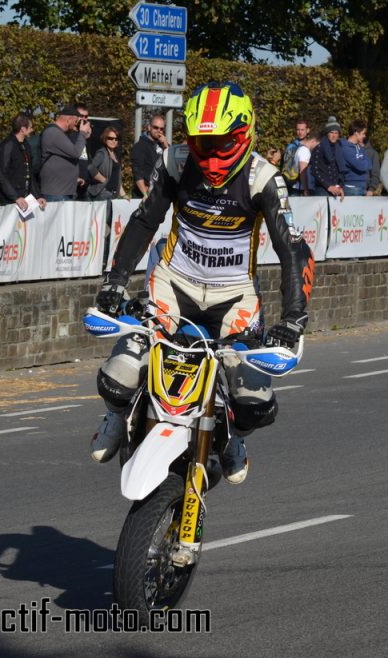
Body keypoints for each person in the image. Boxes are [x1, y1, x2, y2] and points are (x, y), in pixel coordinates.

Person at [89, 81, 314, 486]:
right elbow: (144, 221)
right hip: (173, 284)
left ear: (244, 133)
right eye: (200, 143)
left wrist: (294, 320)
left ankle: (233, 440)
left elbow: (293, 251)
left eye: (220, 142)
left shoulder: (265, 177)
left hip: (234, 298)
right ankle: (116, 415)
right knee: (119, 374)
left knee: (254, 402)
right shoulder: (174, 161)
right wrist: (115, 284)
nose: (209, 155)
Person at [0, 113, 47, 211]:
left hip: (25, 198)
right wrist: (15, 197)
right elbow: (1, 175)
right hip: (9, 201)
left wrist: (38, 196)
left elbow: (30, 173)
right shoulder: (7, 145)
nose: (32, 130)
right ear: (23, 129)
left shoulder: (26, 145)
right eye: (30, 127)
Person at [39, 104, 90, 202]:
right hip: (56, 193)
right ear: (68, 120)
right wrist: (82, 133)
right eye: (75, 122)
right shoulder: (53, 133)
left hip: (63, 191)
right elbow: (75, 152)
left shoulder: (60, 133)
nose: (76, 125)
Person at [131, 114, 169, 198]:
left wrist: (166, 146)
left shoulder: (163, 145)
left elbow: (171, 164)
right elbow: (137, 173)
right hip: (144, 194)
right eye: (156, 127)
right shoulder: (140, 146)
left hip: (161, 193)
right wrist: (145, 195)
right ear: (149, 127)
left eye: (161, 129)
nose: (159, 130)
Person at [87, 126, 127, 201]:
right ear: (105, 139)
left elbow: (117, 178)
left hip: (114, 194)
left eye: (116, 139)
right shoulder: (102, 153)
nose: (114, 141)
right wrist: (104, 180)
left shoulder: (115, 155)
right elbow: (91, 168)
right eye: (110, 138)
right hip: (102, 193)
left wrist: (124, 195)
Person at [309, 116, 345, 198]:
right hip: (322, 189)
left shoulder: (339, 148)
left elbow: (341, 171)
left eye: (336, 133)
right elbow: (315, 170)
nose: (334, 135)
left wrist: (340, 186)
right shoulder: (318, 148)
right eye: (331, 132)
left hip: (336, 189)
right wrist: (328, 186)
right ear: (327, 133)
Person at [339, 120, 370, 196]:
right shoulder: (345, 149)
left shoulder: (359, 146)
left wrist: (364, 161)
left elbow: (369, 164)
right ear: (356, 133)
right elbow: (361, 166)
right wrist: (364, 162)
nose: (364, 136)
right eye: (363, 133)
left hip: (361, 186)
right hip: (352, 188)